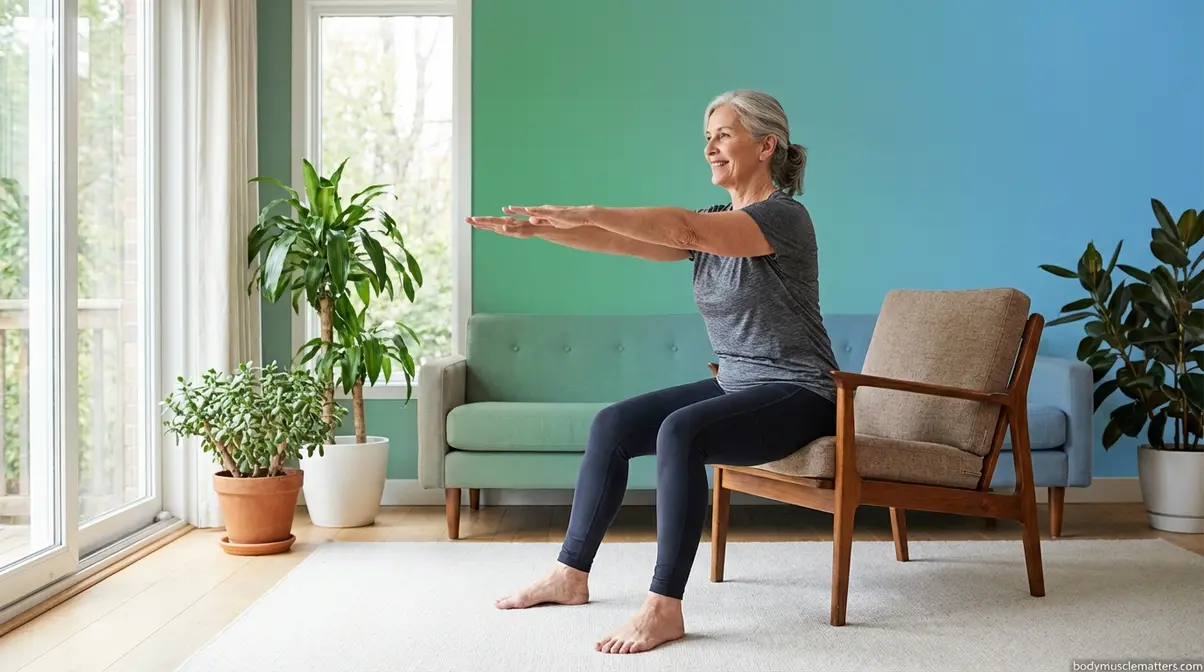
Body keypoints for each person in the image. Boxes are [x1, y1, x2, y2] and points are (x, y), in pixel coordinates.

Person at [465, 90, 840, 655]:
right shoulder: (717, 222)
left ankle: (664, 607)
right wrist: (545, 229)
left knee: (679, 431)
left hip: (800, 391)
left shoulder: (783, 217)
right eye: (707, 138)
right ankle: (570, 575)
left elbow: (681, 230)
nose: (710, 148)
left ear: (767, 146)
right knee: (613, 424)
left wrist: (585, 209)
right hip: (738, 381)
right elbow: (628, 242)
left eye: (723, 135)